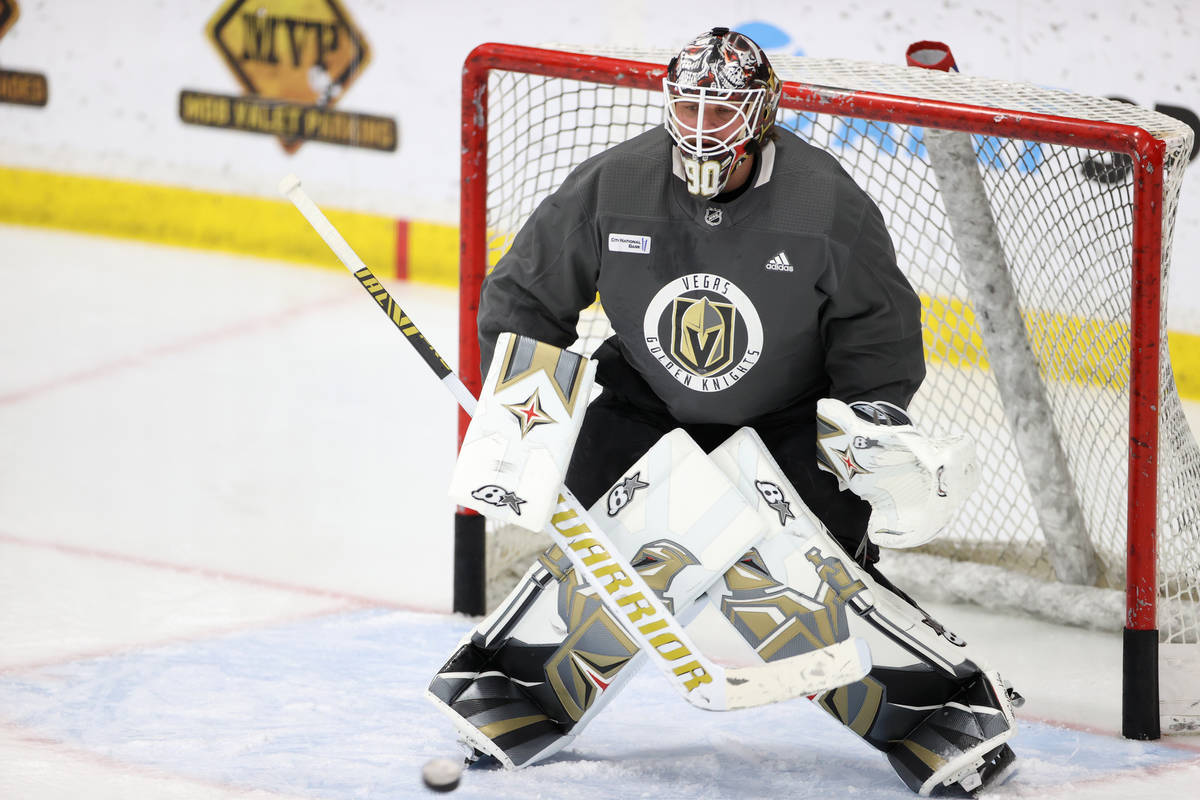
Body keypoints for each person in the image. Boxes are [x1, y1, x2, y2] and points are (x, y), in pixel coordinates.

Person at [432, 28, 1018, 796]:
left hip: (788, 417)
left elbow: (878, 332)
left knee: (803, 577)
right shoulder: (618, 183)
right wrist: (525, 411)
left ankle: (944, 716)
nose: (704, 128)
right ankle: (510, 696)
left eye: (724, 110)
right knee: (618, 550)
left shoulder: (823, 201)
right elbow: (525, 295)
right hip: (643, 399)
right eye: (691, 106)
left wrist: (865, 425)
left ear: (763, 111)